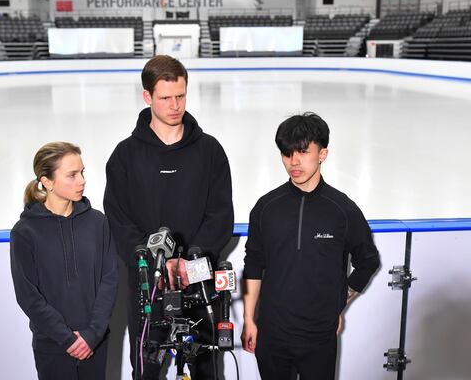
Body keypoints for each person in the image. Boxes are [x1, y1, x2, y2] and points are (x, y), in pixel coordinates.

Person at [104, 55, 234, 379]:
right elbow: (119, 221)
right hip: (148, 285)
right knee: (146, 371)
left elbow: (220, 216)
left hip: (199, 283)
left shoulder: (210, 151)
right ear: (147, 97)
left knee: (206, 369)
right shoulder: (125, 156)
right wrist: (154, 263)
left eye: (181, 95)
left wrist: (190, 262)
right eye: (165, 98)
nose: (175, 105)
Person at [241, 113, 380, 380]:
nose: (294, 162)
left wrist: (339, 302)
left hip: (318, 339)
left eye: (303, 152)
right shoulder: (266, 207)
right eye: (287, 153)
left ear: (322, 154)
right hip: (272, 335)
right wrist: (249, 319)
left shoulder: (342, 210)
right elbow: (253, 265)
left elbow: (368, 261)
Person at [10, 142, 118, 380]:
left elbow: (109, 280)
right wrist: (67, 339)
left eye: (82, 172)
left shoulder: (98, 222)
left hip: (96, 342)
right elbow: (28, 295)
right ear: (46, 181)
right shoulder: (25, 232)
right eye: (72, 175)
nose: (82, 180)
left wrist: (92, 335)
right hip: (52, 345)